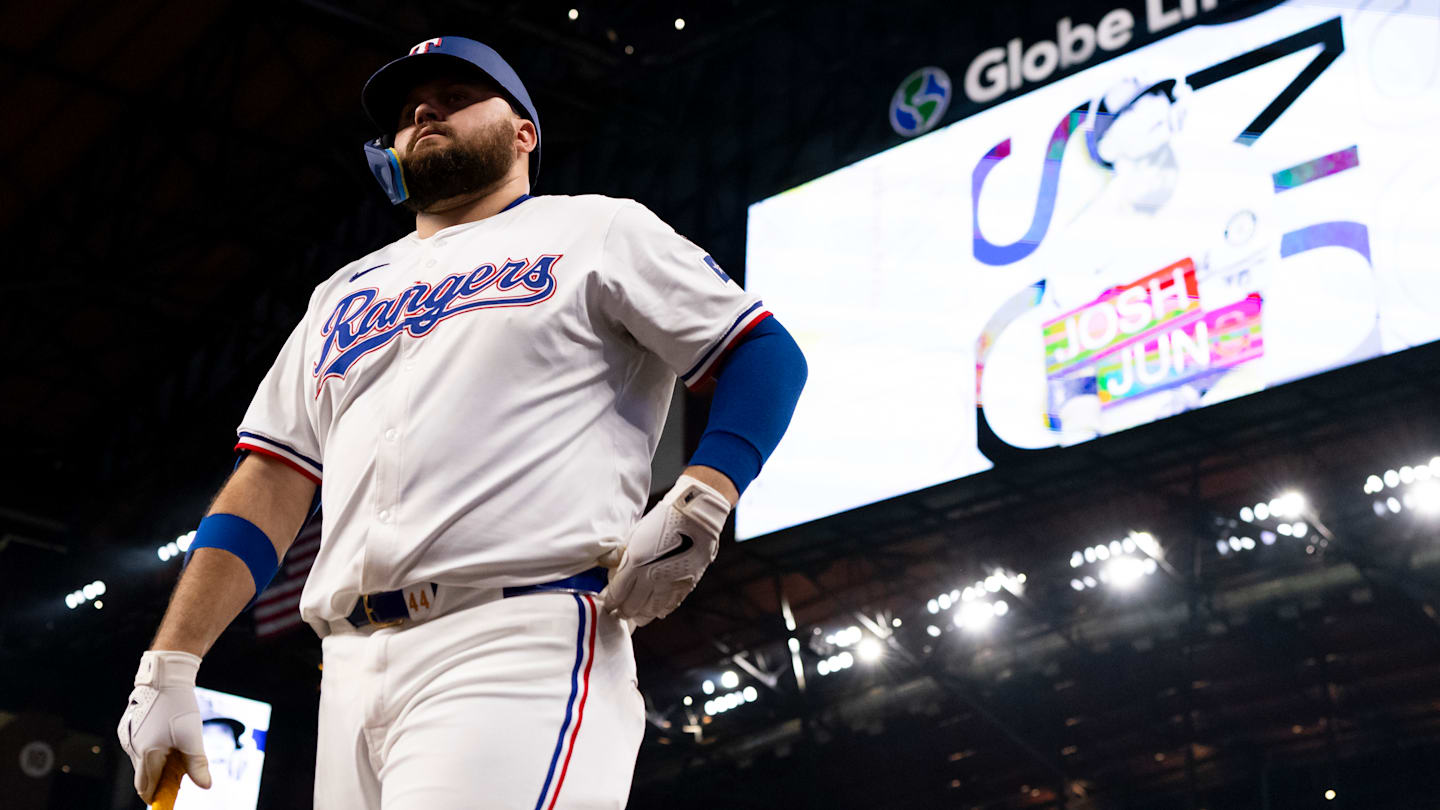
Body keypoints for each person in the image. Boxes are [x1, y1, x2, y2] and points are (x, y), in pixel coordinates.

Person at [117, 36, 807, 810]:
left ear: (524, 132)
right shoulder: (340, 293)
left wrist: (703, 496)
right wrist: (169, 664)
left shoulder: (594, 229)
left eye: (456, 93)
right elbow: (269, 480)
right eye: (409, 109)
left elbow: (764, 352)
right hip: (346, 670)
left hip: (516, 639)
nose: (424, 110)